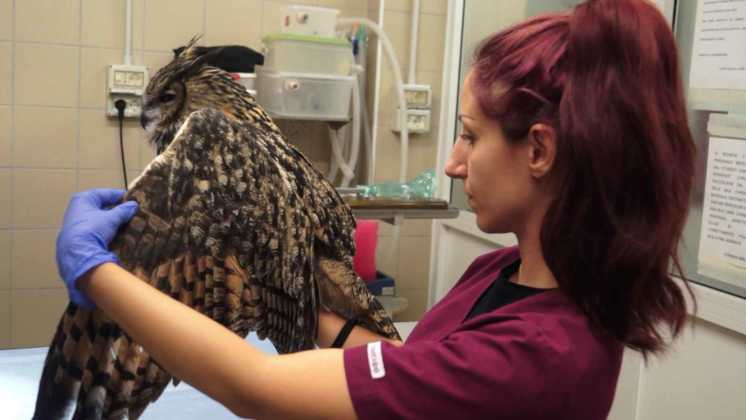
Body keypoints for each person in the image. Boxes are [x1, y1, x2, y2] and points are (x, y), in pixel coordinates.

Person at [53, 0, 695, 418]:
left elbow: (257, 388)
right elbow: (399, 368)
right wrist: (281, 284)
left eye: (470, 135)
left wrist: (95, 273)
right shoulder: (500, 275)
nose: (452, 162)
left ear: (540, 151)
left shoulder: (538, 357)